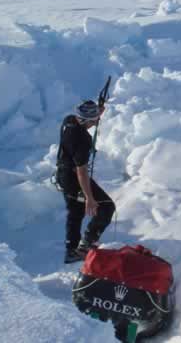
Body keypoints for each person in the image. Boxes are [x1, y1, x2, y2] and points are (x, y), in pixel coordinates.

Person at [56, 100, 115, 264]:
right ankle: (83, 247)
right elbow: (81, 172)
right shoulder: (82, 140)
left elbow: (87, 117)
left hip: (64, 173)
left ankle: (75, 249)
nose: (96, 122)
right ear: (86, 120)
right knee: (106, 206)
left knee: (76, 211)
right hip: (73, 178)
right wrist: (89, 198)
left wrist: (98, 110)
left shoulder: (69, 120)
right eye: (94, 120)